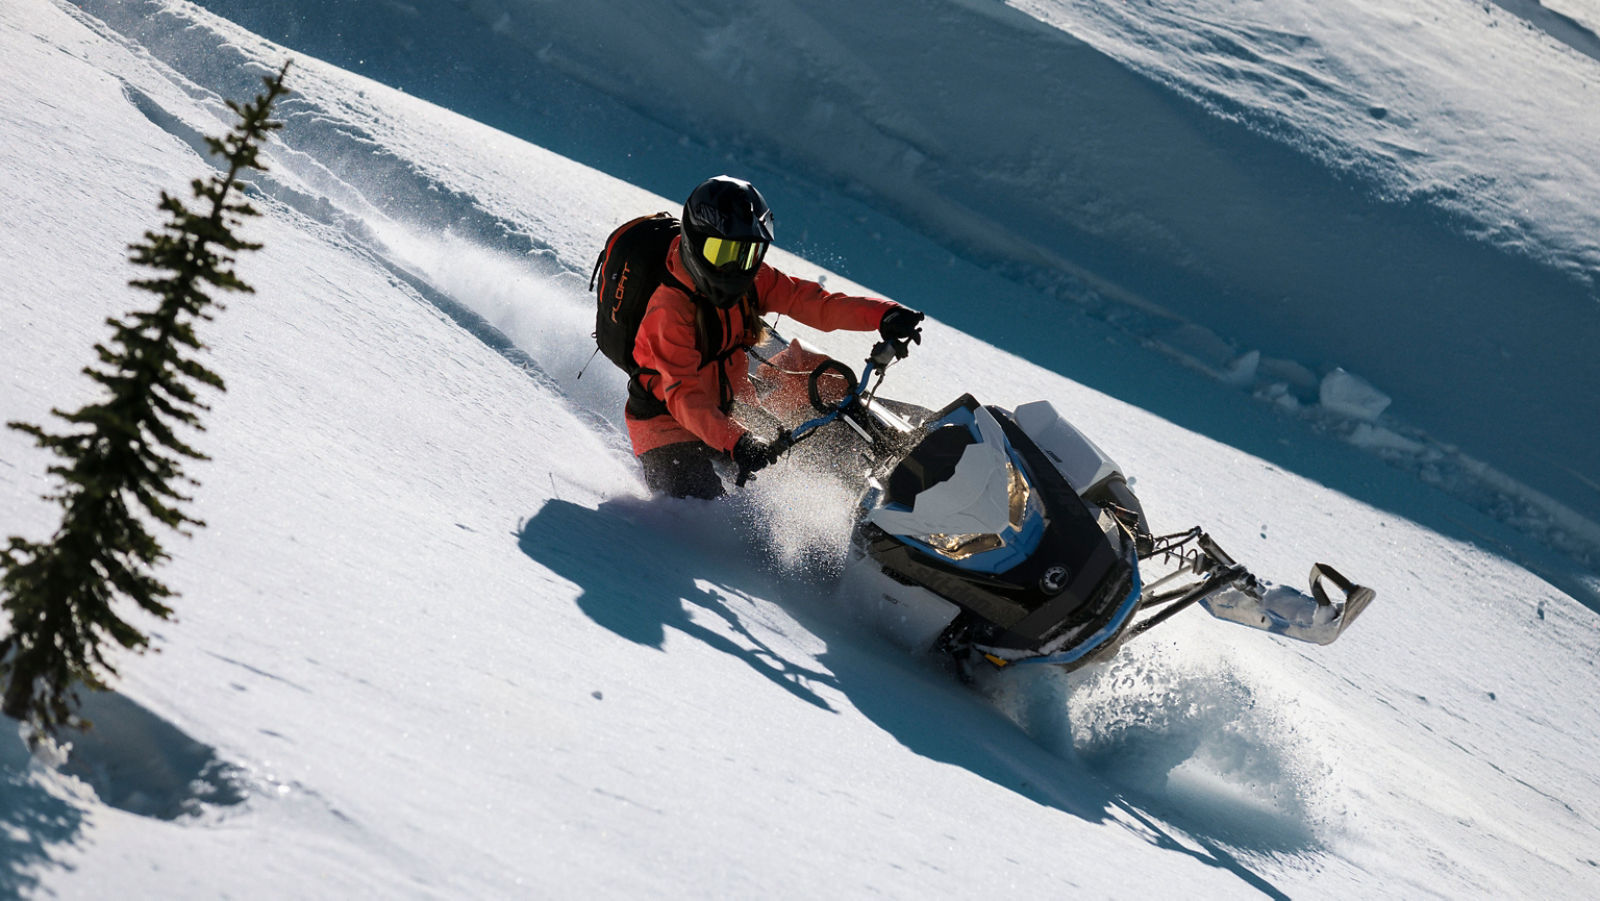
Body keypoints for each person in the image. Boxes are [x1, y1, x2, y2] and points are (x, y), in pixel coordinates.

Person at [627, 175, 925, 499]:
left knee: (820, 388)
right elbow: (684, 397)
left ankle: (893, 469)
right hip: (669, 429)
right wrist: (737, 442)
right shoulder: (669, 311)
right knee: (712, 519)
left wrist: (884, 315)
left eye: (747, 254)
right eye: (721, 252)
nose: (735, 268)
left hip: (732, 409)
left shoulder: (752, 280)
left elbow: (815, 304)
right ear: (695, 243)